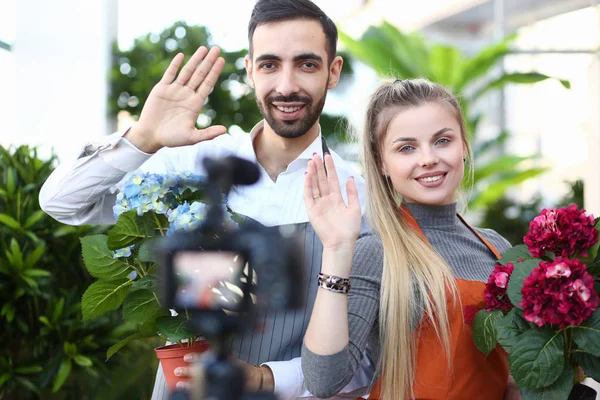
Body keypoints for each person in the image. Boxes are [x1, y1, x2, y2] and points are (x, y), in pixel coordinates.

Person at [39, 1, 376, 399]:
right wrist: (142, 138)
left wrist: (267, 379)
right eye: (269, 65)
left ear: (332, 71)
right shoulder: (192, 160)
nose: (286, 85)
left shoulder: (360, 196)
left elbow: (364, 360)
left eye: (306, 64)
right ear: (250, 71)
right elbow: (62, 203)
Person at [300, 78, 522, 399]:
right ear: (382, 163)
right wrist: (336, 250)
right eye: (406, 148)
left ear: (464, 146)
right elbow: (324, 380)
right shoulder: (377, 251)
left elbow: (509, 375)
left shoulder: (496, 247)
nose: (428, 158)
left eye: (442, 140)